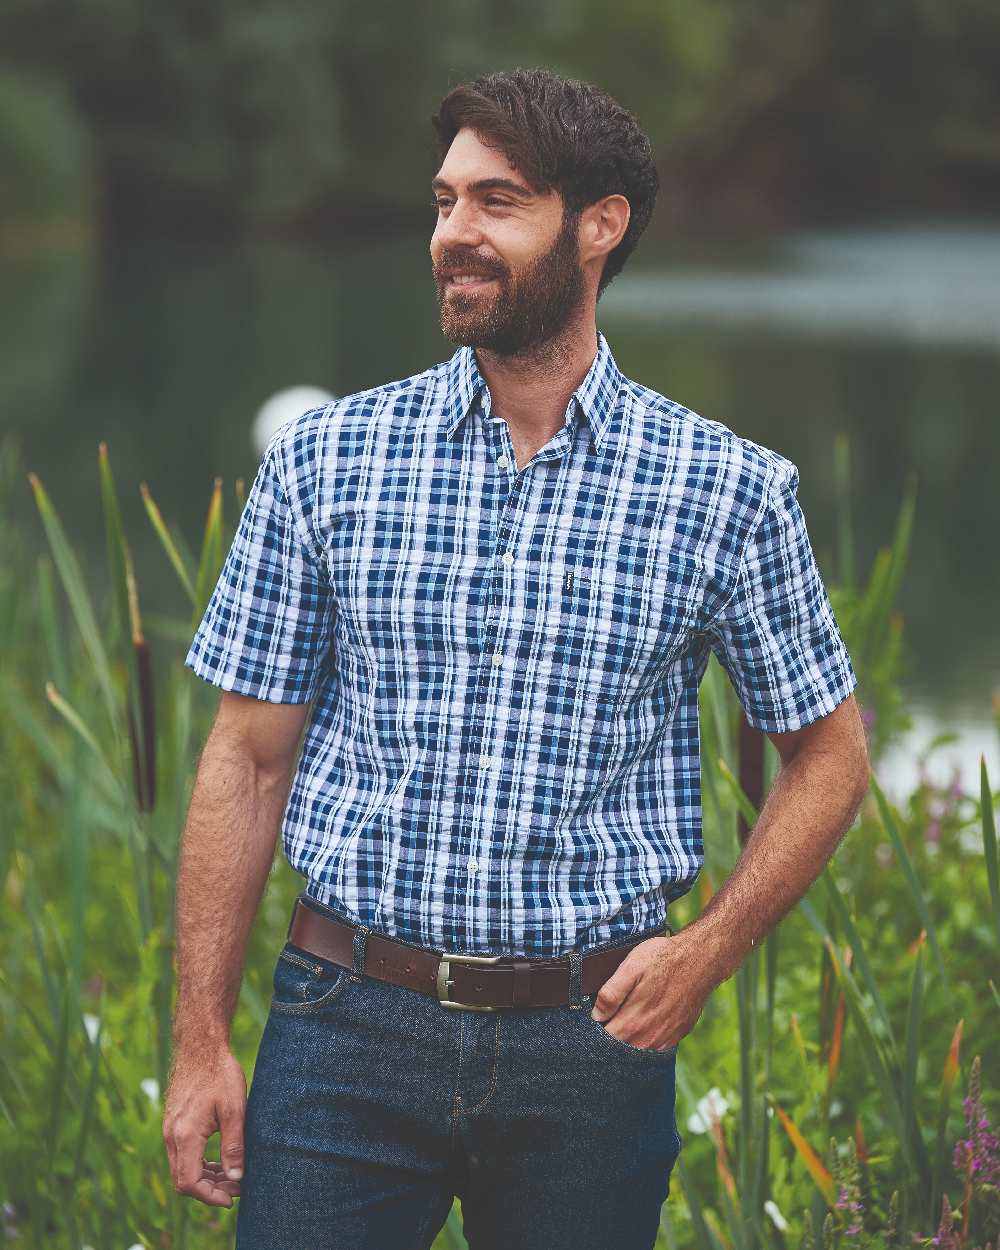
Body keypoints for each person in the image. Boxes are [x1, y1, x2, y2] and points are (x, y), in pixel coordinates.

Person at [162, 67, 870, 1250]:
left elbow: (830, 756)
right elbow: (244, 758)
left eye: (497, 201)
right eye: (444, 202)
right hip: (342, 1026)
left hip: (588, 1047)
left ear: (599, 225)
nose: (453, 235)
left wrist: (707, 950)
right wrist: (197, 1044)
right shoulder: (328, 462)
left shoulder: (728, 491)